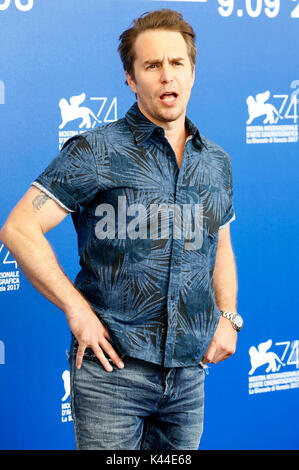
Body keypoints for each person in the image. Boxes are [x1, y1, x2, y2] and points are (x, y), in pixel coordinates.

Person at [0, 9, 243, 450]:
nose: (166, 76)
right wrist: (77, 312)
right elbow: (19, 227)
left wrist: (227, 316)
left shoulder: (216, 162)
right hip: (113, 373)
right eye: (151, 66)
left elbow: (221, 243)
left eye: (176, 63)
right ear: (131, 79)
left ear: (193, 71)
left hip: (188, 379)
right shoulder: (97, 150)